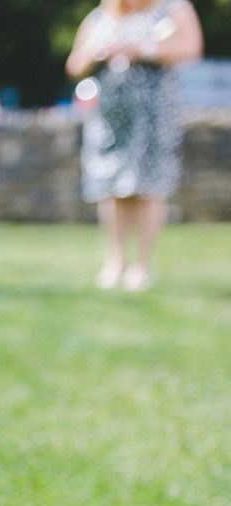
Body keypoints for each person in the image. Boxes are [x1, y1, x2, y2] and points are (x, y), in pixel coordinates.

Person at [65, 0, 203, 291]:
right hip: (110, 116)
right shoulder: (101, 16)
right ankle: (115, 262)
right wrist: (97, 53)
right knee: (111, 185)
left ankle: (142, 265)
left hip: (153, 112)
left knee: (149, 185)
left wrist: (142, 49)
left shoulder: (172, 8)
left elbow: (192, 49)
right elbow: (74, 65)